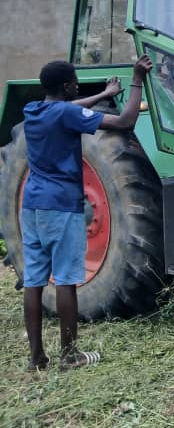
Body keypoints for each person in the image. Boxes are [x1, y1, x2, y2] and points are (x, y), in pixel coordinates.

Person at [21, 55, 152, 372]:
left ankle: (37, 357)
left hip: (31, 206)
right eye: (75, 82)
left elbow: (70, 106)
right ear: (66, 86)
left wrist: (103, 95)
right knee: (66, 280)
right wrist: (137, 79)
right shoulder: (66, 113)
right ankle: (70, 356)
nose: (77, 85)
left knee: (34, 281)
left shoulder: (34, 110)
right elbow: (125, 122)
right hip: (60, 206)